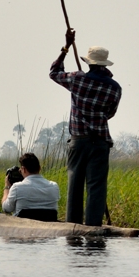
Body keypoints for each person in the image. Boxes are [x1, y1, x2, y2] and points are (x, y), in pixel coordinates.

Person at [50, 30, 122, 226]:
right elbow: (110, 113)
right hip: (99, 142)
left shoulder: (78, 79)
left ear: (89, 63)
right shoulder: (115, 87)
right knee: (96, 187)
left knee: (75, 186)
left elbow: (54, 73)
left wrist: (65, 48)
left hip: (79, 141)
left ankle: (73, 227)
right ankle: (93, 228)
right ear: (104, 64)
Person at [1, 152, 60, 222]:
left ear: (23, 169)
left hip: (23, 228)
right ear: (39, 168)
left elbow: (6, 208)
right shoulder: (54, 186)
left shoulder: (17, 187)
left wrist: (7, 187)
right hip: (48, 227)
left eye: (20, 170)